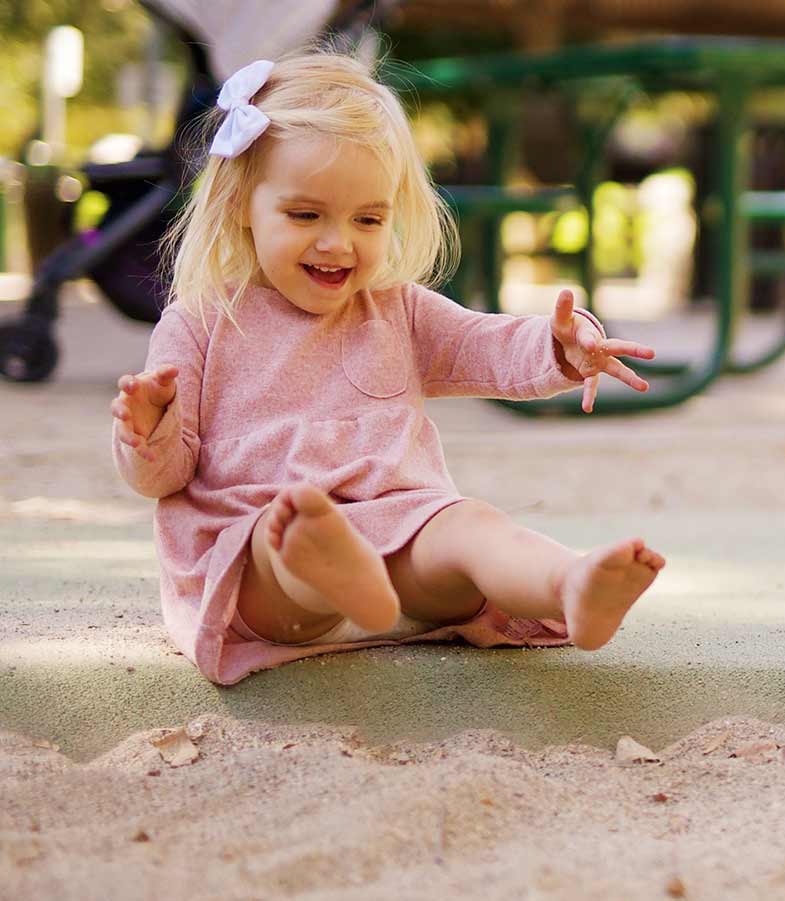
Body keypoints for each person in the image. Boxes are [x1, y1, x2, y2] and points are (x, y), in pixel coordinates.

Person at [112, 52, 666, 685]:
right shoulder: (201, 322)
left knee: (469, 524)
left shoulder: (397, 310)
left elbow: (486, 346)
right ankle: (333, 573)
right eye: (305, 215)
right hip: (267, 577)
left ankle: (568, 582)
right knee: (284, 533)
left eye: (367, 219)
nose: (337, 242)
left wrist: (562, 347)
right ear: (243, 203)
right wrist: (148, 430)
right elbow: (163, 476)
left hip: (404, 556)